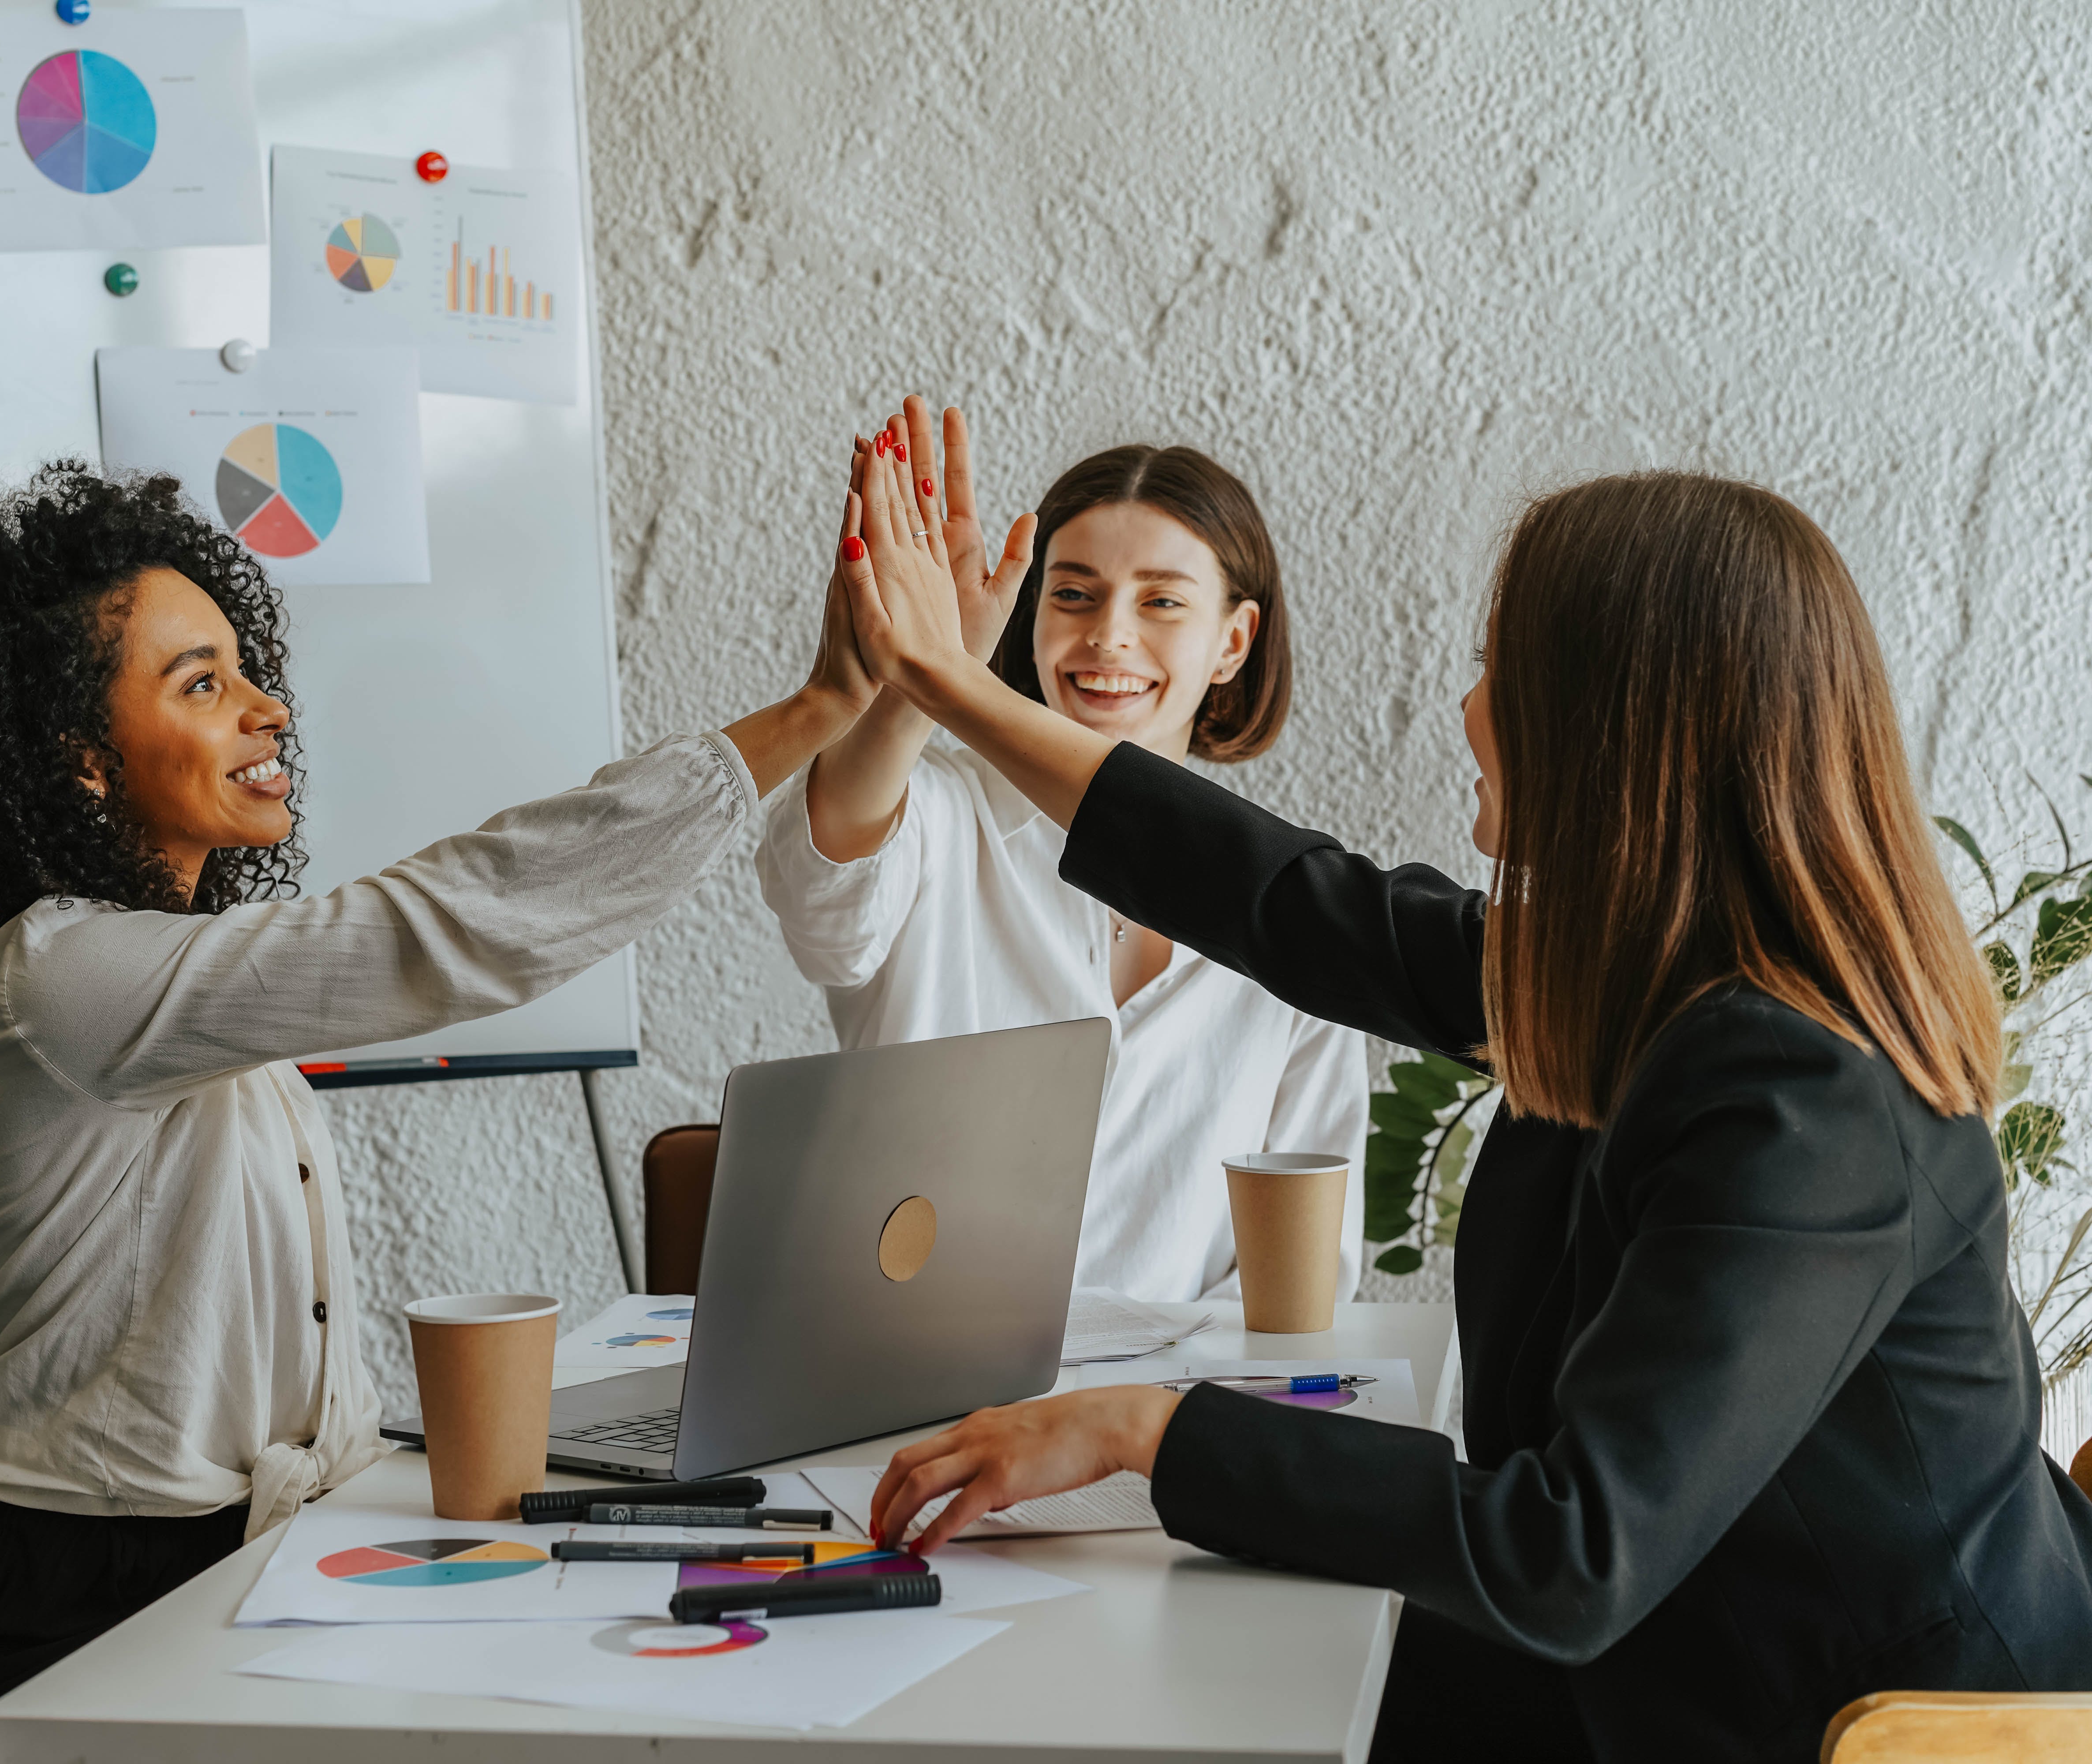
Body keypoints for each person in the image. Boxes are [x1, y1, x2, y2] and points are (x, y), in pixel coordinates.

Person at [829, 439, 2092, 1762]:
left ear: (1618, 728)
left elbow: (1565, 1553)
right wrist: (946, 687)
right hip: (1680, 1649)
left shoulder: (1806, 1097)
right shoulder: (1636, 981)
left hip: (1851, 1725)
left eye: (1504, 669)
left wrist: (1146, 1429)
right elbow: (1281, 898)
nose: (1472, 709)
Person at [0, 462, 878, 1761]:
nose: (268, 709)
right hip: (54, 1614)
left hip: (215, 1566)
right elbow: (436, 933)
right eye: (203, 685)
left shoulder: (179, 981)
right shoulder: (60, 976)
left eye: (245, 669)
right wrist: (818, 712)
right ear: (80, 763)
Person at [755, 401, 1365, 1302]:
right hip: (909, 1398)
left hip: (1164, 1419)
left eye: (1161, 601)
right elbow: (821, 898)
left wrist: (1157, 1425)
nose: (1109, 634)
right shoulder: (938, 815)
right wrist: (928, 672)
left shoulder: (1296, 904)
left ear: (1233, 641)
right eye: (1073, 593)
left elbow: (1305, 1271)